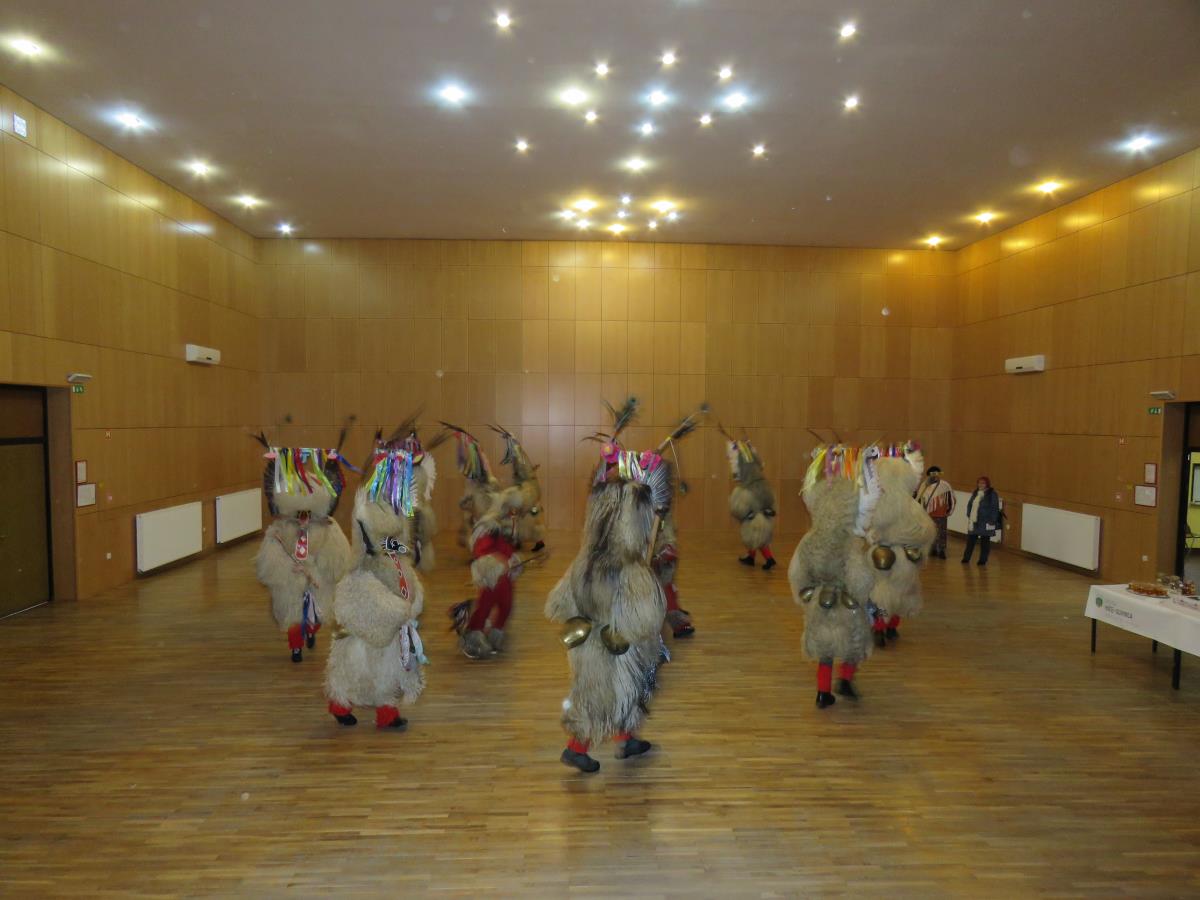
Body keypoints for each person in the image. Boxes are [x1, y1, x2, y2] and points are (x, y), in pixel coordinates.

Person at [546, 397, 668, 773]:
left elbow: (558, 603)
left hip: (587, 643)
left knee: (625, 689)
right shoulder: (628, 568)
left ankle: (626, 740)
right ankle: (575, 747)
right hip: (611, 645)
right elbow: (645, 618)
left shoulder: (586, 558)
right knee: (600, 696)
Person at [253, 435, 353, 664]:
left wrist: (322, 567)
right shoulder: (280, 528)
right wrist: (285, 569)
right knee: (293, 615)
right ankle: (296, 648)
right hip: (291, 578)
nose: (303, 517)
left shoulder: (327, 527)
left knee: (317, 614)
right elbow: (269, 555)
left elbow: (337, 556)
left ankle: (311, 631)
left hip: (316, 578)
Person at [961, 476, 1004, 566]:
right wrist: (969, 514)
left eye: (983, 483)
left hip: (986, 522)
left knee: (985, 542)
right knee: (970, 541)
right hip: (974, 521)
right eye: (979, 483)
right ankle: (966, 558)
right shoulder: (975, 492)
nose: (981, 485)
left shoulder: (992, 494)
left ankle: (983, 560)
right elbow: (970, 504)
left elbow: (994, 508)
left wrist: (992, 520)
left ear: (987, 484)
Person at [916, 466, 955, 559]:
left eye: (936, 473)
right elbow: (919, 498)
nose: (934, 476)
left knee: (941, 532)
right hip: (928, 514)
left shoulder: (945, 485)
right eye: (932, 474)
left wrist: (949, 510)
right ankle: (932, 549)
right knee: (930, 532)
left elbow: (951, 498)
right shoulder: (924, 485)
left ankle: (941, 550)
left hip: (941, 513)